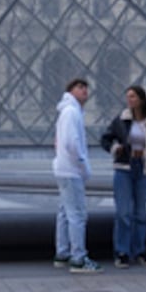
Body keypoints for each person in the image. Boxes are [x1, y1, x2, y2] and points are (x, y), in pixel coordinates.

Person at [100, 85, 146, 268]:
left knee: (140, 213)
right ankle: (122, 252)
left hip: (143, 169)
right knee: (123, 213)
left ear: (141, 99)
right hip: (124, 168)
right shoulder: (120, 120)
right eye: (128, 97)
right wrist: (115, 149)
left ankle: (140, 251)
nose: (129, 100)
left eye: (132, 96)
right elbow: (105, 139)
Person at [53, 78, 101, 273]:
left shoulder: (66, 111)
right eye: (80, 87)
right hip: (71, 170)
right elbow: (72, 143)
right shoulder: (72, 112)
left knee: (65, 213)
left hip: (63, 168)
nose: (85, 91)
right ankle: (79, 258)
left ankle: (62, 254)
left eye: (86, 88)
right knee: (77, 215)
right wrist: (82, 164)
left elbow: (58, 142)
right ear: (70, 90)